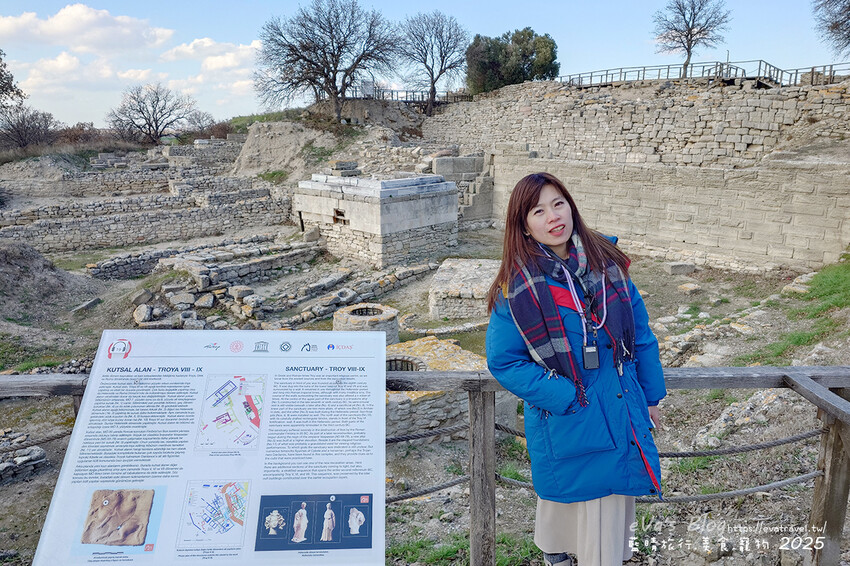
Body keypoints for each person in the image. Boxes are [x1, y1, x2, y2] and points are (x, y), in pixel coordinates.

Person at [485, 172, 666, 566]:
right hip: (569, 417)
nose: (553, 216)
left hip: (620, 407)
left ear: (571, 206)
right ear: (524, 226)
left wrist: (652, 396)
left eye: (558, 204)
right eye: (538, 211)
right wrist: (567, 397)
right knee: (573, 517)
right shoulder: (517, 288)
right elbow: (504, 361)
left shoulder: (608, 264)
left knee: (609, 516)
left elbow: (640, 335)